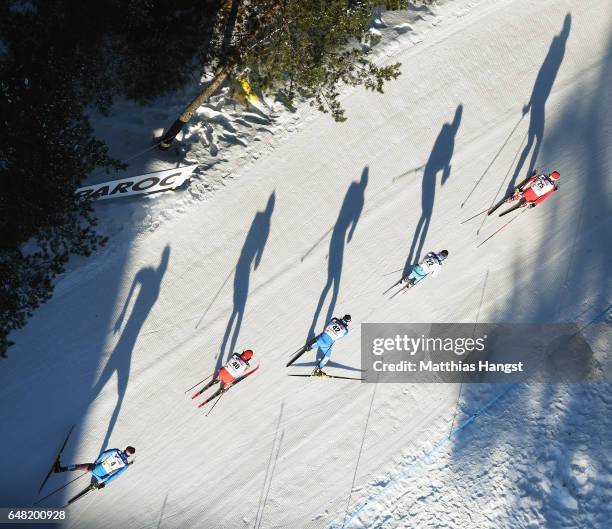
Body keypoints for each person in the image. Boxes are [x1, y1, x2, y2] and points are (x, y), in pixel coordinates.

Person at [55, 446, 135, 489]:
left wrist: (95, 463)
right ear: (130, 455)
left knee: (78, 467)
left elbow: (104, 454)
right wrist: (104, 483)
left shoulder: (116, 451)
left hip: (95, 468)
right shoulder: (125, 465)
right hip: (102, 477)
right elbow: (116, 475)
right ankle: (95, 485)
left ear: (125, 450)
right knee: (103, 479)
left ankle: (60, 469)